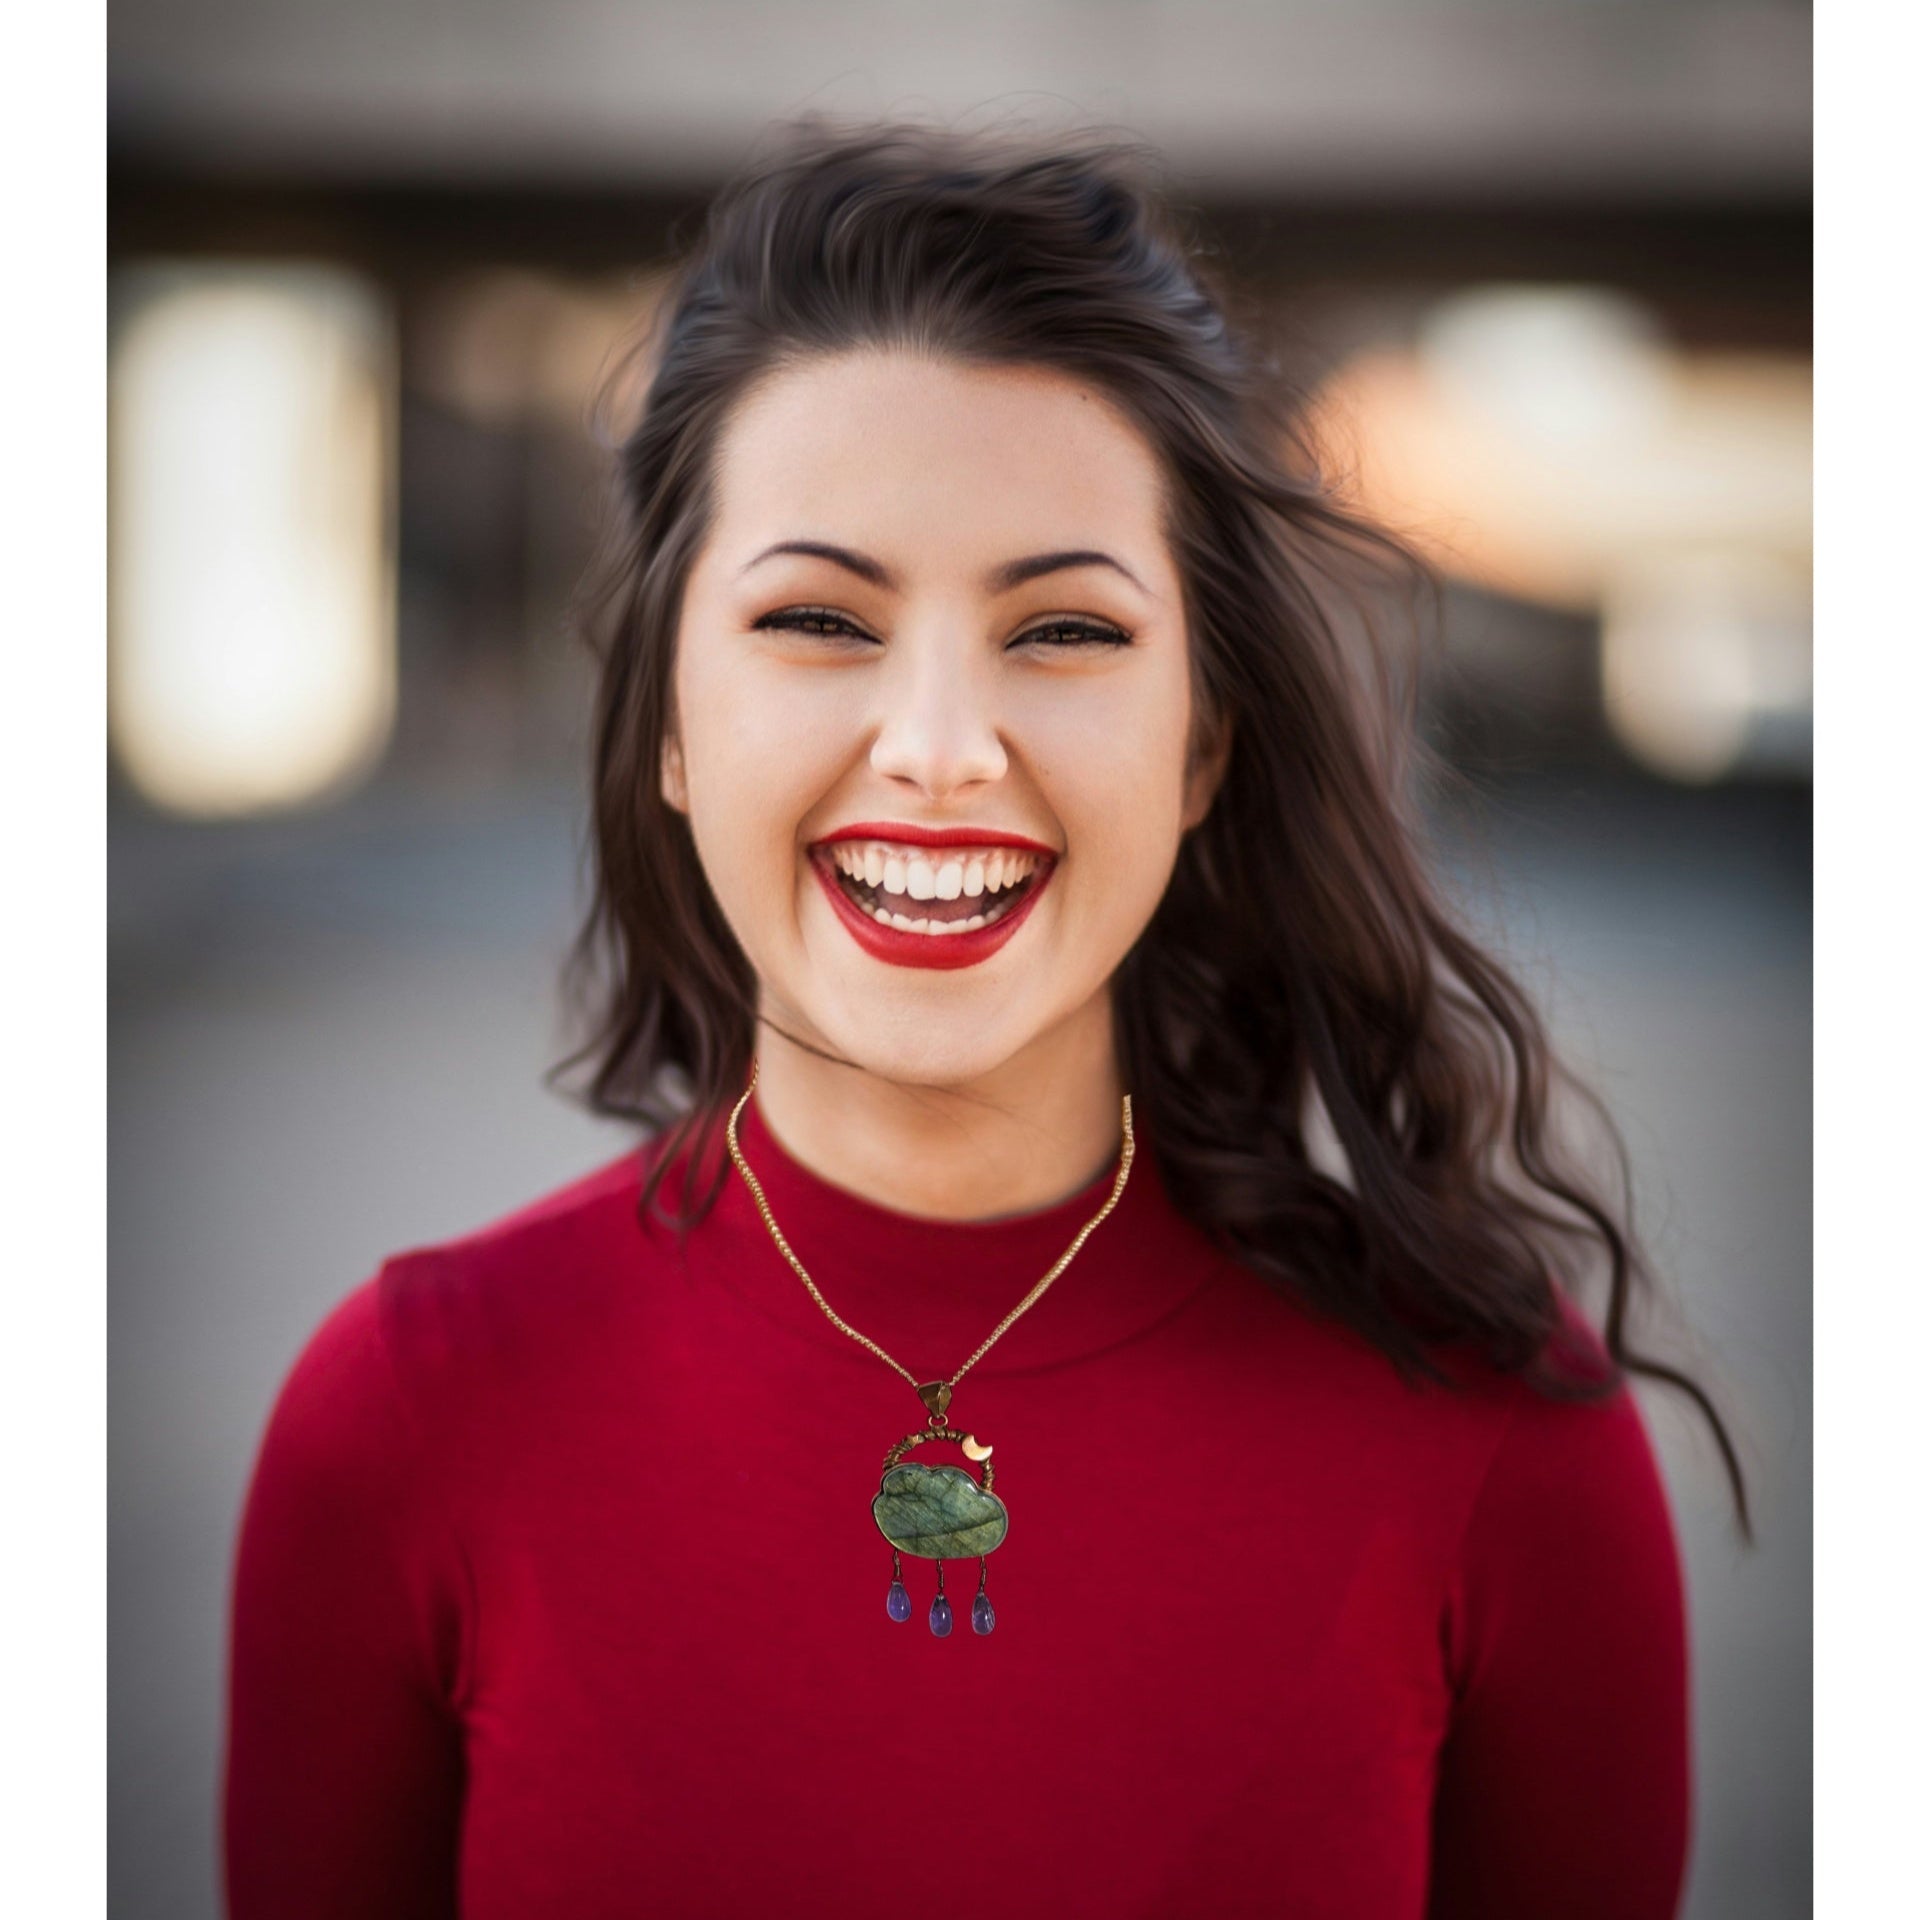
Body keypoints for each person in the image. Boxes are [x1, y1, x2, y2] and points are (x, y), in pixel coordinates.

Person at [221, 120, 1747, 1919]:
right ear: (669, 730)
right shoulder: (405, 1421)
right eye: (817, 617)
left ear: (1204, 744)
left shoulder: (1507, 1442)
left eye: (1065, 634)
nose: (940, 749)